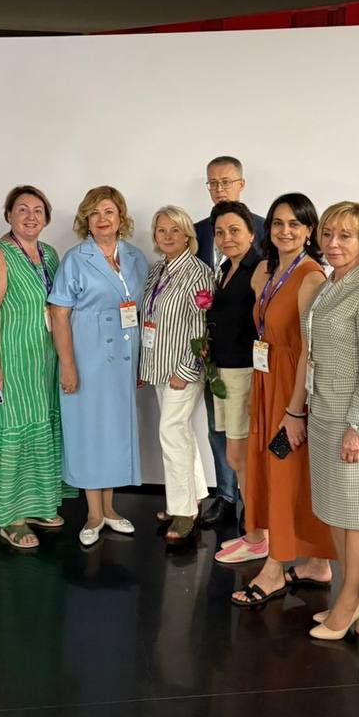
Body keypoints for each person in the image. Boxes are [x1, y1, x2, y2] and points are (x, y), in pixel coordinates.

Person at [283, 202, 359, 641]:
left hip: (356, 423)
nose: (333, 243)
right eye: (328, 234)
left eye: (345, 236)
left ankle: (348, 601)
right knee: (336, 512)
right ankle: (356, 597)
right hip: (325, 415)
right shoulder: (331, 285)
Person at [216, 193, 334, 607]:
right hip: (266, 382)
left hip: (291, 389)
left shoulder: (311, 277)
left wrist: (294, 410)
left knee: (286, 474)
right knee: (277, 471)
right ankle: (318, 563)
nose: (285, 231)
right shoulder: (265, 270)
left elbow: (309, 351)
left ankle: (274, 568)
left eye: (295, 224)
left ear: (309, 231)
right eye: (278, 223)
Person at [0, 185, 76, 551]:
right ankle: (10, 516)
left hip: (40, 361)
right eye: (22, 209)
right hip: (7, 361)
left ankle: (37, 504)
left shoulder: (49, 254)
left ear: (46, 217)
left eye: (38, 210)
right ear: (8, 215)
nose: (30, 216)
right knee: (11, 431)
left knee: (37, 427)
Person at [49, 186, 149, 546]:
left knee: (115, 430)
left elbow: (141, 310)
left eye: (108, 212)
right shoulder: (76, 259)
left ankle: (110, 508)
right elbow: (59, 315)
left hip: (124, 356)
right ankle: (93, 512)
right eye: (94, 213)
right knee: (88, 430)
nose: (102, 219)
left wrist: (143, 361)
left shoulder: (135, 257)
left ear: (121, 217)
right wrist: (68, 365)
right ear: (86, 220)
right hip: (87, 355)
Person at [194, 156, 266, 528]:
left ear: (241, 184)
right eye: (213, 183)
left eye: (226, 181)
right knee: (218, 430)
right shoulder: (199, 233)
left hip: (246, 363)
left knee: (243, 438)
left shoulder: (267, 232)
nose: (219, 188)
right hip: (216, 358)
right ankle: (226, 495)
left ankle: (253, 516)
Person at [138, 207, 214, 545]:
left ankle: (184, 512)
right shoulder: (158, 270)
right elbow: (150, 319)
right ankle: (190, 496)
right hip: (159, 366)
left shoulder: (198, 273)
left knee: (171, 432)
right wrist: (145, 366)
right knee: (179, 432)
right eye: (161, 230)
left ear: (188, 236)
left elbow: (202, 328)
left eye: (175, 230)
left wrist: (186, 370)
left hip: (183, 370)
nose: (167, 236)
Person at [205, 200, 261, 518]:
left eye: (234, 230)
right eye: (220, 232)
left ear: (252, 233)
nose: (227, 237)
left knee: (243, 454)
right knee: (235, 454)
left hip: (245, 371)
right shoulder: (226, 269)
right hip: (223, 371)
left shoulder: (261, 269)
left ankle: (255, 527)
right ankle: (251, 522)